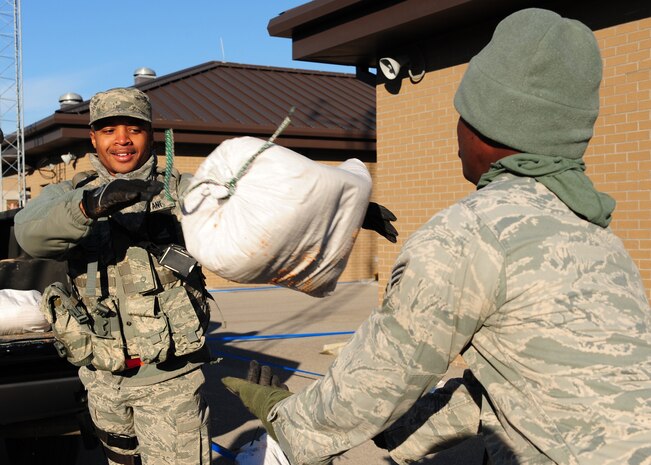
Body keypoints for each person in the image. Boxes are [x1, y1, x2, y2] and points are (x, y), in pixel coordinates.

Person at [222, 8, 651, 465]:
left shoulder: (468, 236)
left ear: (487, 128)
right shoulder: (595, 234)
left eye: (462, 114)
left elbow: (376, 384)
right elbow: (507, 396)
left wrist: (287, 420)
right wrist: (398, 432)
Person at [14, 87, 398, 465]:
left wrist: (347, 209)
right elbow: (29, 233)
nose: (123, 140)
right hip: (102, 379)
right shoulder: (69, 195)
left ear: (151, 134)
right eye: (110, 129)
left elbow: (266, 206)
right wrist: (89, 206)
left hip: (170, 382)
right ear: (94, 138)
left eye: (134, 128)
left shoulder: (183, 191)